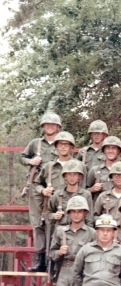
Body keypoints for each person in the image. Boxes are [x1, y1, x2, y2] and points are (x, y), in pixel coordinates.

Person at [21, 112, 61, 271]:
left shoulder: (62, 142)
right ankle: (41, 260)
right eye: (47, 124)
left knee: (54, 221)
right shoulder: (35, 143)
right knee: (37, 223)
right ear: (43, 126)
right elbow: (22, 157)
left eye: (53, 124)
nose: (50, 126)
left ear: (58, 127)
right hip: (37, 186)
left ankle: (53, 258)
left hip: (56, 186)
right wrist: (30, 161)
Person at [32, 131, 76, 269]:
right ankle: (50, 280)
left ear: (71, 148)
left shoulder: (77, 166)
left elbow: (83, 187)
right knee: (53, 242)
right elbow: (36, 183)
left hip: (74, 209)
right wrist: (43, 190)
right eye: (60, 144)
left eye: (66, 145)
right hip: (53, 210)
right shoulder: (49, 167)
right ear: (56, 147)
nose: (63, 147)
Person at [86, 136, 121, 202]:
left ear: (118, 151)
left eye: (114, 148)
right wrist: (92, 189)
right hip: (100, 208)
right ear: (104, 151)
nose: (110, 151)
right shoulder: (95, 170)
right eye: (108, 148)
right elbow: (84, 190)